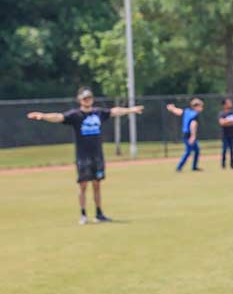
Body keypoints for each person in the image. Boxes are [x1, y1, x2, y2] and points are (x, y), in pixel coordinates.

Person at [26, 87, 144, 225]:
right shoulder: (75, 115)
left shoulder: (98, 113)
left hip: (97, 155)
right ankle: (83, 214)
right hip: (83, 156)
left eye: (89, 98)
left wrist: (131, 110)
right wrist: (43, 116)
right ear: (80, 100)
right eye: (84, 98)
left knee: (97, 184)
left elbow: (114, 111)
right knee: (83, 185)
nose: (87, 101)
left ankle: (99, 213)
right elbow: (59, 117)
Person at [167, 98, 204, 172]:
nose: (202, 108)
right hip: (189, 135)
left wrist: (172, 108)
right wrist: (193, 136)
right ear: (196, 107)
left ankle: (194, 167)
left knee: (196, 150)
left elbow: (178, 111)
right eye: (201, 106)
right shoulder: (195, 115)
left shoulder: (187, 111)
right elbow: (192, 125)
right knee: (188, 151)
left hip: (185, 134)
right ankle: (179, 167)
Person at [217, 98, 233, 169]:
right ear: (224, 105)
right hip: (225, 135)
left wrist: (226, 121)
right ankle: (223, 165)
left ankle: (232, 165)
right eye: (228, 102)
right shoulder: (222, 113)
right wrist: (231, 121)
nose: (230, 104)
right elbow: (221, 123)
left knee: (232, 150)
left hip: (232, 134)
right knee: (224, 150)